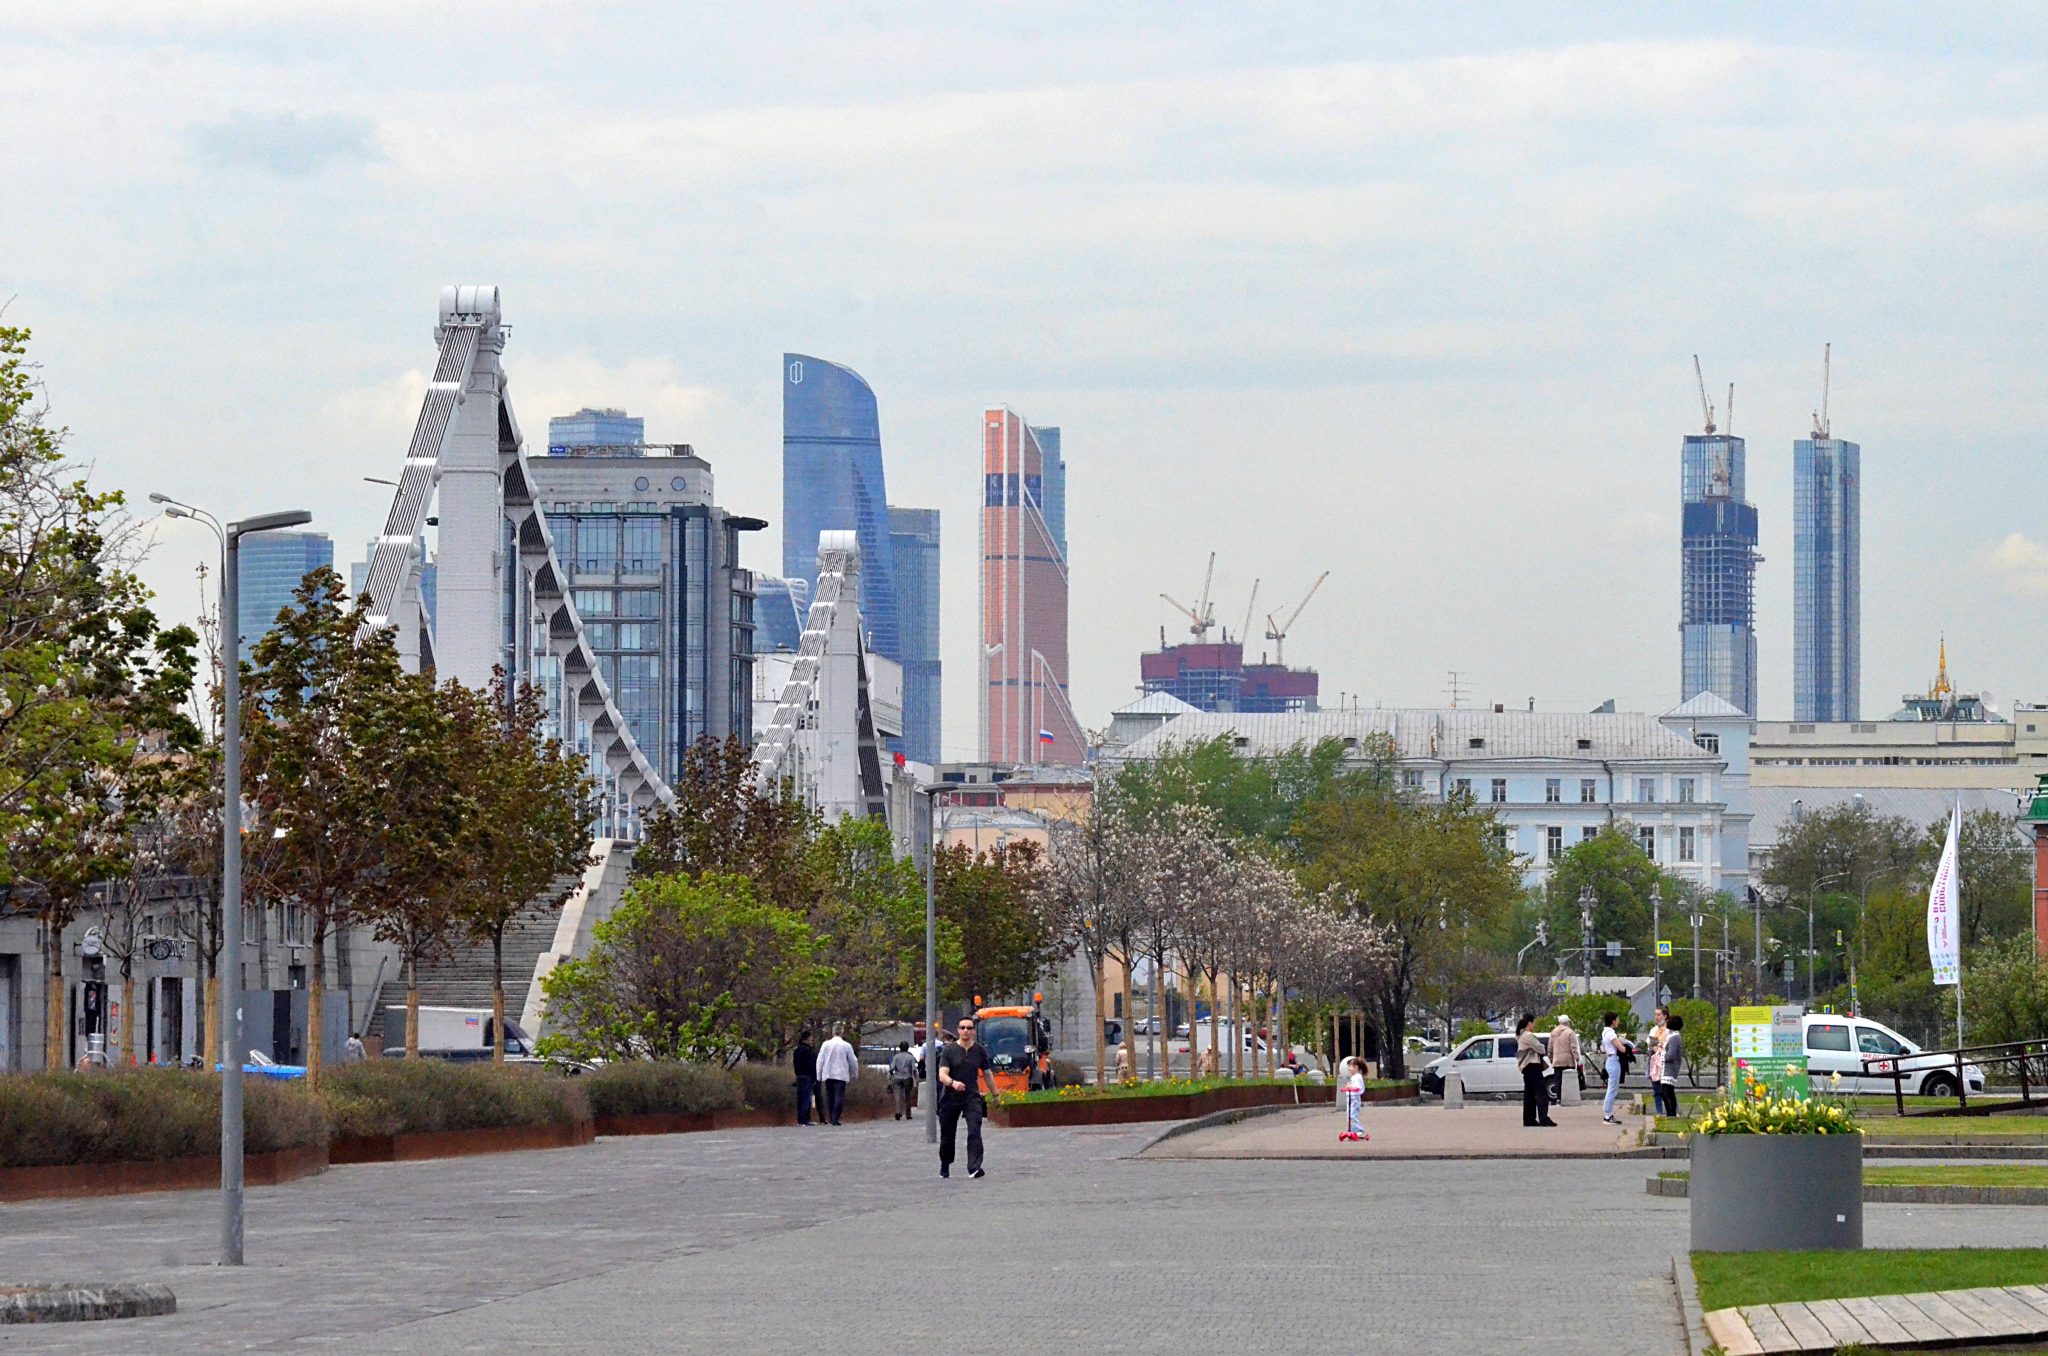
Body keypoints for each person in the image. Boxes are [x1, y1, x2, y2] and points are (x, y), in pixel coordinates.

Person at [938, 1016, 996, 1179]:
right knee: (948, 1135)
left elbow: (987, 1074)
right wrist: (952, 1083)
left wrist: (995, 1094)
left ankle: (974, 1167)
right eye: (962, 1027)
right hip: (951, 1097)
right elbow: (942, 1074)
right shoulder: (949, 1051)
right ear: (958, 1030)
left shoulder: (979, 1051)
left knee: (974, 1131)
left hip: (971, 1097)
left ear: (973, 1031)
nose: (965, 1031)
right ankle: (945, 1164)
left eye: (969, 1028)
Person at [1517, 1013, 1556, 1128]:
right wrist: (1541, 1048)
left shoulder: (1520, 1035)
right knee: (1541, 1093)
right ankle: (1543, 1118)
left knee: (1529, 1094)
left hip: (1526, 1067)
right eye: (1533, 1023)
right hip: (1533, 1066)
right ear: (1529, 1023)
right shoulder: (1528, 1035)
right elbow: (1540, 1048)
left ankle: (1529, 1119)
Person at [816, 1028, 858, 1126]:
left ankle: (831, 1117)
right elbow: (853, 1061)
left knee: (830, 1096)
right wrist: (854, 1074)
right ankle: (835, 1118)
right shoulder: (847, 1046)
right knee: (839, 1096)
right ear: (842, 1033)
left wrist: (819, 1075)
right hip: (841, 1074)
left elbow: (820, 1060)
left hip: (828, 1074)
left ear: (832, 1032)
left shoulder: (825, 1044)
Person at [1599, 1012, 1631, 1125]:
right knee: (1612, 1089)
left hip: (1611, 1060)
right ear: (1613, 1021)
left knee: (1612, 1088)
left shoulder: (1605, 1032)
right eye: (1617, 1019)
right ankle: (1607, 1115)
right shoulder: (1610, 1033)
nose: (1618, 1021)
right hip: (1613, 1060)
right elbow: (1621, 1049)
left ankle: (1608, 1113)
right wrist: (1627, 1047)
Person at [1545, 1014, 1579, 1104]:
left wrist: (1551, 1059)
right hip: (1568, 1060)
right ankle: (1568, 1097)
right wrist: (1576, 1058)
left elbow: (1549, 1048)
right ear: (1567, 1022)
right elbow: (1573, 1047)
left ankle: (1558, 1098)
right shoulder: (1570, 1032)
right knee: (1568, 1080)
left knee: (1557, 1080)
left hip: (1557, 1060)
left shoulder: (1553, 1032)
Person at [1337, 1056, 1370, 1142]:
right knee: (1349, 1116)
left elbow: (1358, 1087)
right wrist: (1348, 1087)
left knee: (1352, 1116)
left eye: (1350, 1066)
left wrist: (1351, 1087)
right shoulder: (1354, 1077)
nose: (1349, 1069)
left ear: (1356, 1067)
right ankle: (1352, 1131)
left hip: (1354, 1099)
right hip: (1350, 1099)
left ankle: (1359, 1130)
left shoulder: (1358, 1077)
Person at [1646, 1005, 1669, 1120]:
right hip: (1655, 1061)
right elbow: (1651, 1044)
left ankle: (1672, 1111)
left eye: (1659, 1014)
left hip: (1666, 1061)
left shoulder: (1669, 1030)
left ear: (1665, 1016)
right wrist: (1658, 1050)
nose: (1656, 1017)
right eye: (1655, 1014)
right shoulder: (1654, 1030)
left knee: (1667, 1088)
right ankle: (1659, 1111)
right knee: (1656, 1088)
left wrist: (1662, 1050)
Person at [1659, 1014, 1685, 1117]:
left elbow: (1671, 1054)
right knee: (1668, 1092)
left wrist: (1662, 1052)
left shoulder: (1674, 1038)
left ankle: (1671, 1114)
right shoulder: (1672, 1036)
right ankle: (1671, 1114)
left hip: (1670, 1068)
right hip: (1668, 1068)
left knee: (1665, 1092)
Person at [792, 1030, 819, 1127]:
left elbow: (795, 1064)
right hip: (808, 1077)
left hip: (799, 1076)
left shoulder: (797, 1050)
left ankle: (800, 1119)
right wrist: (814, 1077)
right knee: (807, 1099)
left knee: (800, 1098)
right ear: (807, 1038)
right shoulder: (808, 1051)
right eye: (811, 1038)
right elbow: (812, 1065)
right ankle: (805, 1119)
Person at [888, 1040, 918, 1120]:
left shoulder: (896, 1057)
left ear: (900, 1048)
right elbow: (914, 1069)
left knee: (898, 1096)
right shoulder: (910, 1057)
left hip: (897, 1078)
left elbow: (892, 1068)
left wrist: (891, 1077)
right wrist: (916, 1078)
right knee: (907, 1096)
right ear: (908, 1048)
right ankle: (908, 1113)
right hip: (907, 1078)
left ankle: (898, 1112)